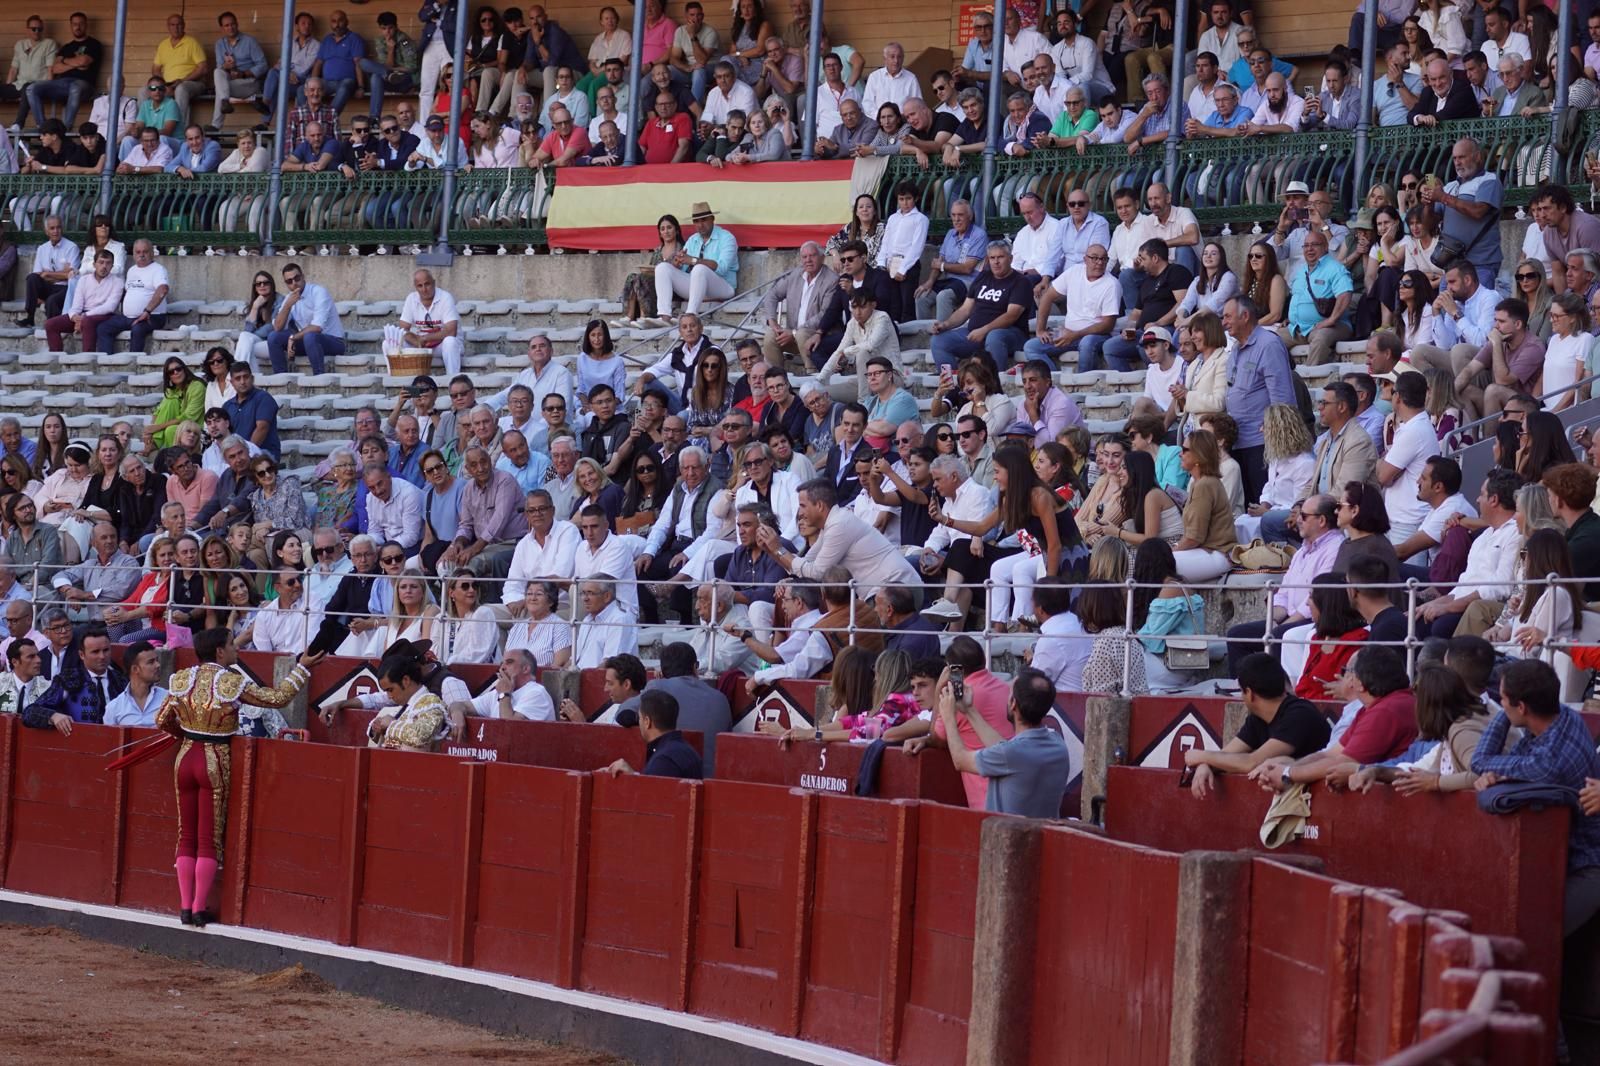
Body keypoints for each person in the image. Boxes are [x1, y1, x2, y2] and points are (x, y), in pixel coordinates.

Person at [935, 666, 1068, 818]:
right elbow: (1006, 749)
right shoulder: (1058, 744)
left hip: (1007, 837)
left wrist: (948, 717)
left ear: (1013, 704)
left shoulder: (1010, 754)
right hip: (1045, 836)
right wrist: (969, 710)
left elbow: (960, 760)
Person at [649, 201, 737, 324]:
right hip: (697, 289)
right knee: (662, 268)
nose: (700, 225)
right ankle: (664, 316)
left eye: (704, 220)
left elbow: (722, 268)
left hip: (723, 288)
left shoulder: (727, 238)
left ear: (712, 219)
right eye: (696, 221)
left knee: (699, 268)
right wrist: (677, 264)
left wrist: (693, 260)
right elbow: (685, 270)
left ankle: (691, 315)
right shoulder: (693, 239)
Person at [600, 689, 701, 779]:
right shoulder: (686, 749)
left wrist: (634, 778)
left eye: (639, 718)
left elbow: (651, 796)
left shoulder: (664, 760)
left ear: (647, 722)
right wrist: (634, 776)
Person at [268, 263, 345, 375]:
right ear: (286, 284)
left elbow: (317, 327)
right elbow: (277, 327)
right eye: (289, 281)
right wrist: (287, 306)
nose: (294, 283)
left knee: (310, 336)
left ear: (303, 277)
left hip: (334, 342)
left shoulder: (318, 292)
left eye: (297, 278)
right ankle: (281, 377)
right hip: (308, 342)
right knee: (273, 337)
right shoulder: (290, 298)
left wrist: (293, 337)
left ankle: (319, 377)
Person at [397, 269, 461, 378]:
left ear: (434, 283)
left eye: (427, 284)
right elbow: (403, 329)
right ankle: (399, 380)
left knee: (450, 342)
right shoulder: (411, 298)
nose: (424, 289)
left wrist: (425, 338)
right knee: (390, 342)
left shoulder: (445, 297)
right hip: (422, 345)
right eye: (420, 286)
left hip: (443, 346)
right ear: (415, 287)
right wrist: (417, 342)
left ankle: (453, 379)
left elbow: (451, 331)